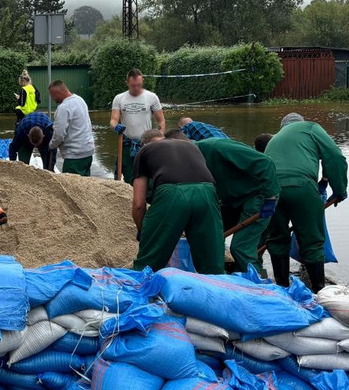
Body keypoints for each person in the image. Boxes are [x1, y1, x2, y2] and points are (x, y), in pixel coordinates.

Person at [262, 113, 348, 291]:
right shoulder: (310, 127)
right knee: (311, 241)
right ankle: (319, 292)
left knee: (277, 239)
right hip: (301, 186)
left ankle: (282, 288)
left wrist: (324, 182)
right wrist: (339, 189)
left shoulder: (274, 139)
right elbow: (335, 157)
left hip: (271, 191)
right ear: (300, 122)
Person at [130, 129, 223, 274]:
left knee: (149, 263)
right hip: (208, 192)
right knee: (212, 263)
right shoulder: (191, 146)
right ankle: (218, 290)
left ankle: (140, 290)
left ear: (144, 144)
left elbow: (138, 204)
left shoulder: (145, 151)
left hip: (172, 193)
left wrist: (143, 230)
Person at [190, 133, 280, 273]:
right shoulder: (188, 161)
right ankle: (220, 275)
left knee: (240, 247)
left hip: (260, 195)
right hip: (235, 198)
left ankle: (260, 284)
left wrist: (270, 198)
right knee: (211, 234)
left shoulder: (217, 147)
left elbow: (265, 162)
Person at [110, 69, 165, 183]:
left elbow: (161, 121)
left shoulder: (152, 97)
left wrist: (160, 139)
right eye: (133, 85)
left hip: (147, 143)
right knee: (130, 176)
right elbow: (113, 120)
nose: (136, 88)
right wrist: (115, 126)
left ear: (142, 81)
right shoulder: (119, 98)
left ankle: (147, 199)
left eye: (139, 85)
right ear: (127, 83)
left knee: (148, 176)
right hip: (127, 143)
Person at [47, 80, 95, 176]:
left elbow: (59, 135)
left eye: (52, 95)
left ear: (58, 93)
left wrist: (51, 145)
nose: (52, 98)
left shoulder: (63, 108)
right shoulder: (80, 100)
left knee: (71, 188)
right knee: (85, 184)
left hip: (74, 156)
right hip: (88, 151)